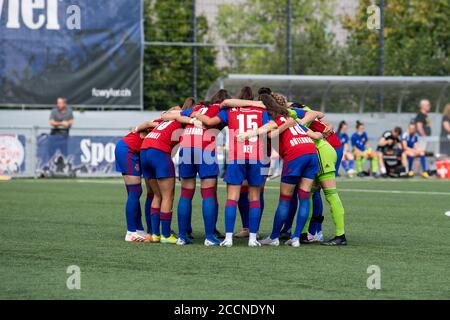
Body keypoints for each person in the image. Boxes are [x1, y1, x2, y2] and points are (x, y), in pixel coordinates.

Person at [193, 91, 273, 247]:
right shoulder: (261, 110)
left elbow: (210, 121)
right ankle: (252, 239)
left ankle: (228, 239)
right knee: (255, 197)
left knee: (232, 198)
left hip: (237, 157)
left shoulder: (230, 110)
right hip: (257, 156)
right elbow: (270, 128)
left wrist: (197, 114)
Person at [162, 92, 228, 246]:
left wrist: (191, 119)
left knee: (185, 194)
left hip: (186, 147)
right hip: (204, 148)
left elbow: (166, 115)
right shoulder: (223, 110)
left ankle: (182, 236)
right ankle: (210, 237)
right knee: (208, 194)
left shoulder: (196, 108)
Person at [138, 102, 193, 244]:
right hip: (159, 152)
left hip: (144, 150)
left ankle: (155, 234)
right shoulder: (181, 120)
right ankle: (166, 235)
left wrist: (136, 129)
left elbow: (146, 125)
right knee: (168, 196)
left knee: (157, 195)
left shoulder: (162, 119)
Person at [115, 125, 158, 242]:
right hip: (127, 150)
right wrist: (139, 127)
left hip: (128, 149)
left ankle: (138, 229)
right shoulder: (160, 123)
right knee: (135, 191)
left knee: (134, 192)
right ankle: (131, 232)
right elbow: (148, 123)